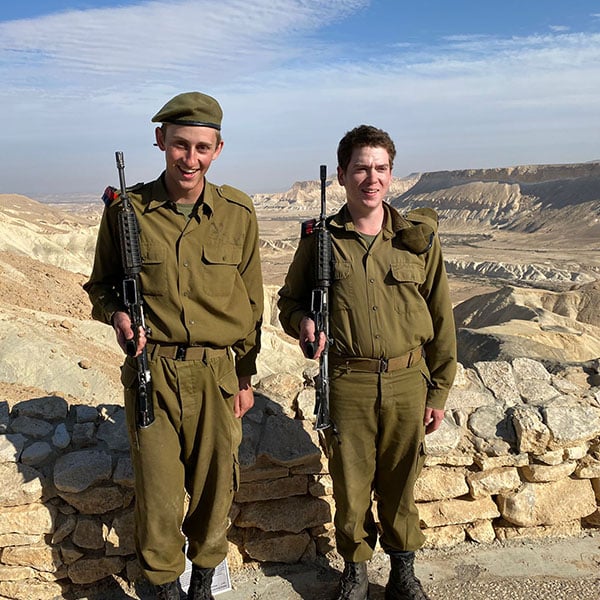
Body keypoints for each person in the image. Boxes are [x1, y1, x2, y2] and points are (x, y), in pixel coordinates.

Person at [84, 91, 263, 600]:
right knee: (159, 496)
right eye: (180, 145)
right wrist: (117, 315)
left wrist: (245, 375)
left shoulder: (238, 212)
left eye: (202, 148)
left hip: (215, 373)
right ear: (160, 140)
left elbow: (252, 300)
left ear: (218, 149)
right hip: (152, 371)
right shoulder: (128, 211)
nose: (191, 158)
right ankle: (163, 590)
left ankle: (203, 585)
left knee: (215, 491)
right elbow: (101, 284)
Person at [277, 125, 456, 600]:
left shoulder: (418, 238)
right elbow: (288, 301)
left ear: (392, 175)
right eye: (361, 168)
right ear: (342, 175)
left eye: (380, 168)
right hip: (348, 382)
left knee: (402, 483)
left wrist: (438, 391)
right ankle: (354, 569)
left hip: (407, 381)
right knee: (351, 485)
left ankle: (403, 571)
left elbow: (441, 316)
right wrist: (303, 324)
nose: (370, 178)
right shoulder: (321, 240)